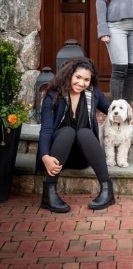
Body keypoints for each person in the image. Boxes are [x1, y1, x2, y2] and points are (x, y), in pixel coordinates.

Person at [36, 57, 116, 213]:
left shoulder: (93, 94)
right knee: (67, 131)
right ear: (69, 74)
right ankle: (49, 193)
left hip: (82, 156)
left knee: (84, 132)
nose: (82, 83)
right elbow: (46, 129)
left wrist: (129, 116)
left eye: (86, 79)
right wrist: (45, 157)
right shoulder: (53, 96)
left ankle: (107, 190)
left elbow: (112, 109)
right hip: (57, 157)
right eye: (78, 77)